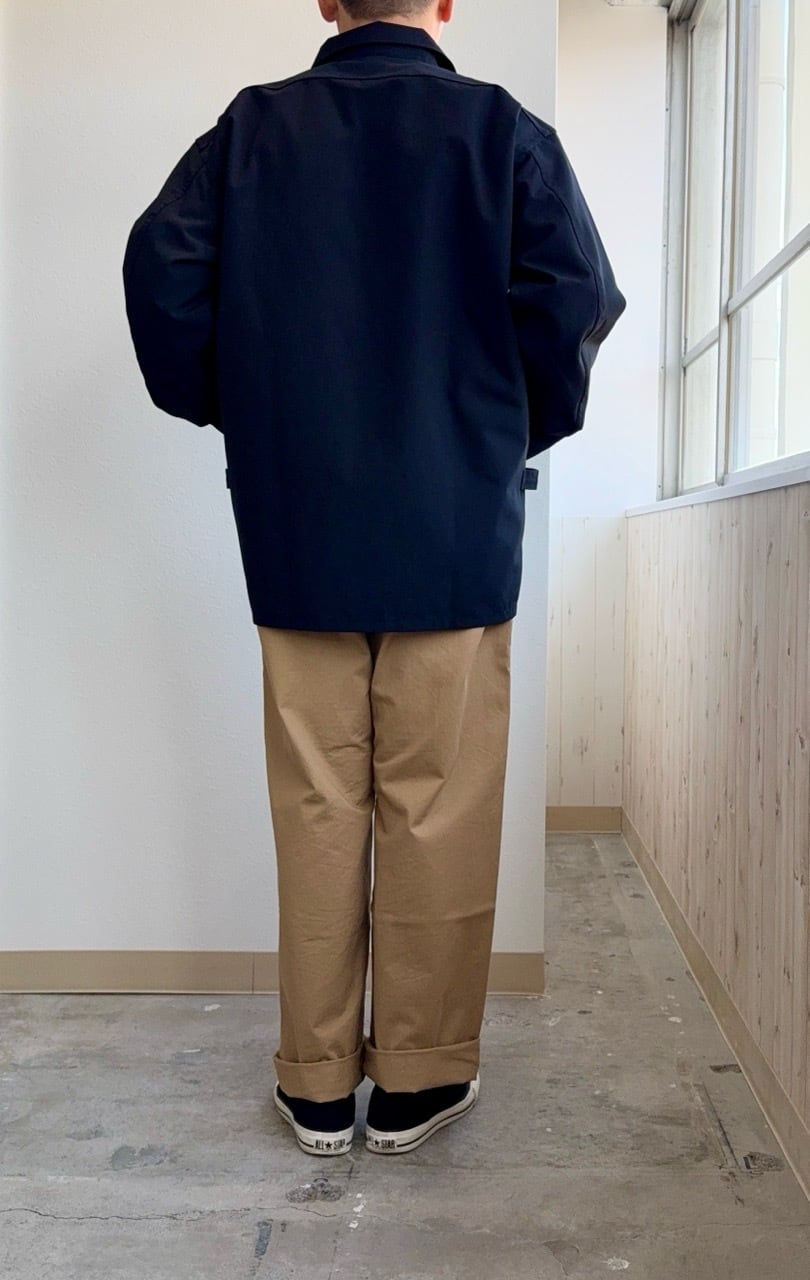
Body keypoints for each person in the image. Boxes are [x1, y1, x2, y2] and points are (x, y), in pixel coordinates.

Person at [122, 0, 626, 1158]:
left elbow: (162, 277)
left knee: (316, 803)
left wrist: (248, 407)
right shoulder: (501, 132)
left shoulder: (251, 133)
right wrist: (503, 433)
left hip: (300, 525)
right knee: (436, 804)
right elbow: (575, 301)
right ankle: (416, 1079)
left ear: (325, 2)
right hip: (453, 530)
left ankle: (313, 1083)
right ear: (445, 2)